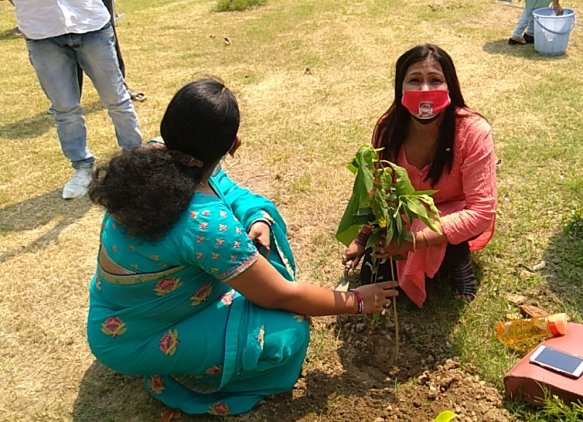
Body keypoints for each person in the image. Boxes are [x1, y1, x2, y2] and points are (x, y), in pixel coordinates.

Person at [86, 78, 399, 416]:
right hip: (134, 340)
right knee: (287, 332)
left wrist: (257, 219)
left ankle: (190, 352)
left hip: (119, 317)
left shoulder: (158, 155)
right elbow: (280, 295)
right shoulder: (205, 224)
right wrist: (357, 300)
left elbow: (228, 190)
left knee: (259, 229)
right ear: (231, 144)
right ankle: (185, 379)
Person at [343, 44, 497, 307]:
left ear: (450, 86)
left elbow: (482, 211)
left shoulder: (473, 131)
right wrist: (362, 238)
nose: (424, 90)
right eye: (414, 80)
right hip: (405, 216)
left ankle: (457, 256)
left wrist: (412, 242)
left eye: (435, 80)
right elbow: (376, 192)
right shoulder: (387, 130)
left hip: (450, 212)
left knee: (446, 238)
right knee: (371, 275)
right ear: (400, 87)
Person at [13, 0, 142, 199]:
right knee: (65, 110)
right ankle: (82, 168)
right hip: (40, 30)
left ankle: (134, 161)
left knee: (117, 100)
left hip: (90, 22)